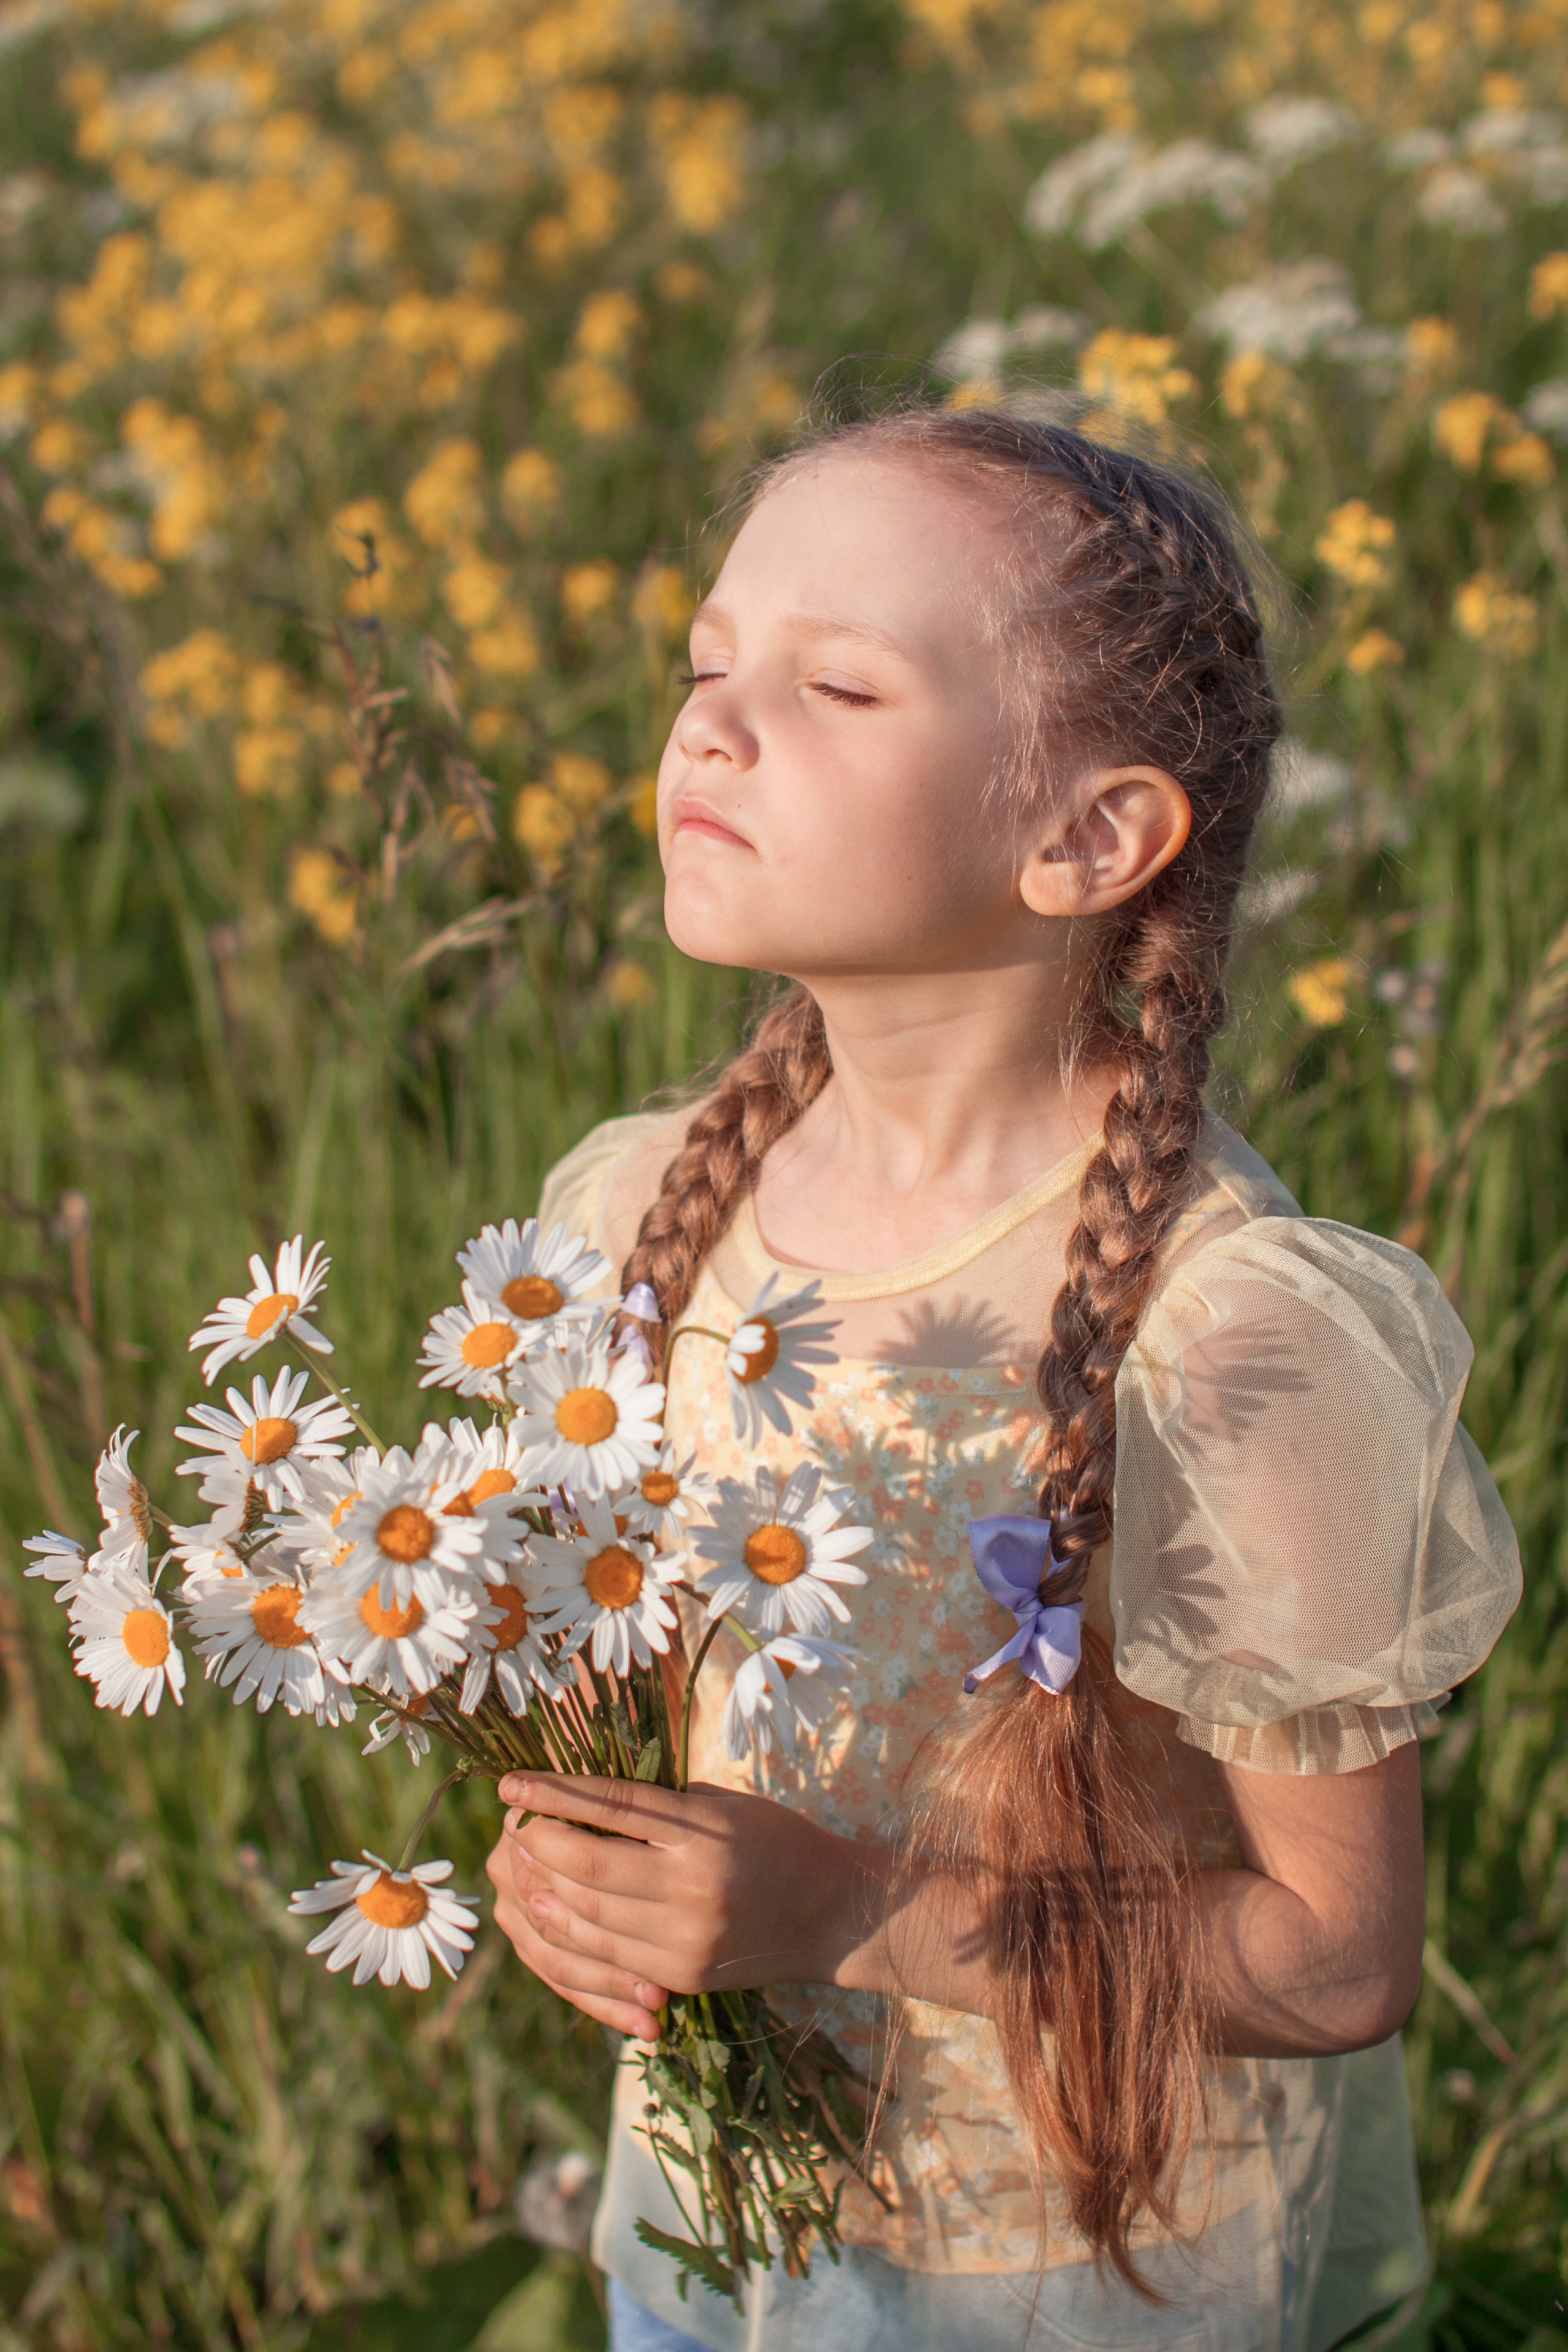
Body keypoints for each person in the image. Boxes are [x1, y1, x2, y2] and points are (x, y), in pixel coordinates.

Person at [486, 407, 1522, 2352]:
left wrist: (843, 1916)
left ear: (1089, 837)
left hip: (1071, 2271)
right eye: (710, 665)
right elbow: (623, 1693)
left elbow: (1335, 1961)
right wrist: (575, 1867)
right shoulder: (642, 1208)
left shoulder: (1236, 1339)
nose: (710, 727)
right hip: (703, 2223)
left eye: (837, 684)